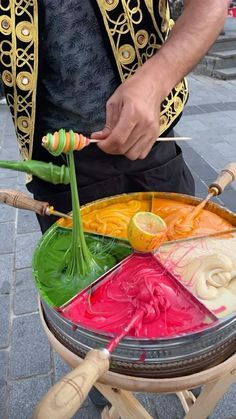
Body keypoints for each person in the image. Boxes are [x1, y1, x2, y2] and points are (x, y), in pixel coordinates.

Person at [0, 0, 228, 407]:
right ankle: (111, 392)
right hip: (57, 161)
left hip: (151, 138)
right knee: (85, 298)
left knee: (178, 275)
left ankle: (174, 361)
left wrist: (155, 79)